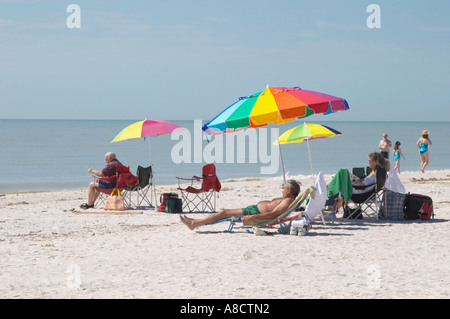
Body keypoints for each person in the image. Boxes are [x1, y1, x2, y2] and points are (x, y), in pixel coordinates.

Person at [180, 179, 301, 230]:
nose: (282, 190)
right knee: (224, 212)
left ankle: (194, 223)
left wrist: (253, 217)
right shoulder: (288, 200)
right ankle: (195, 221)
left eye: (284, 188)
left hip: (254, 213)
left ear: (289, 190)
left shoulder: (287, 201)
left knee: (224, 213)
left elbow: (273, 214)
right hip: (253, 209)